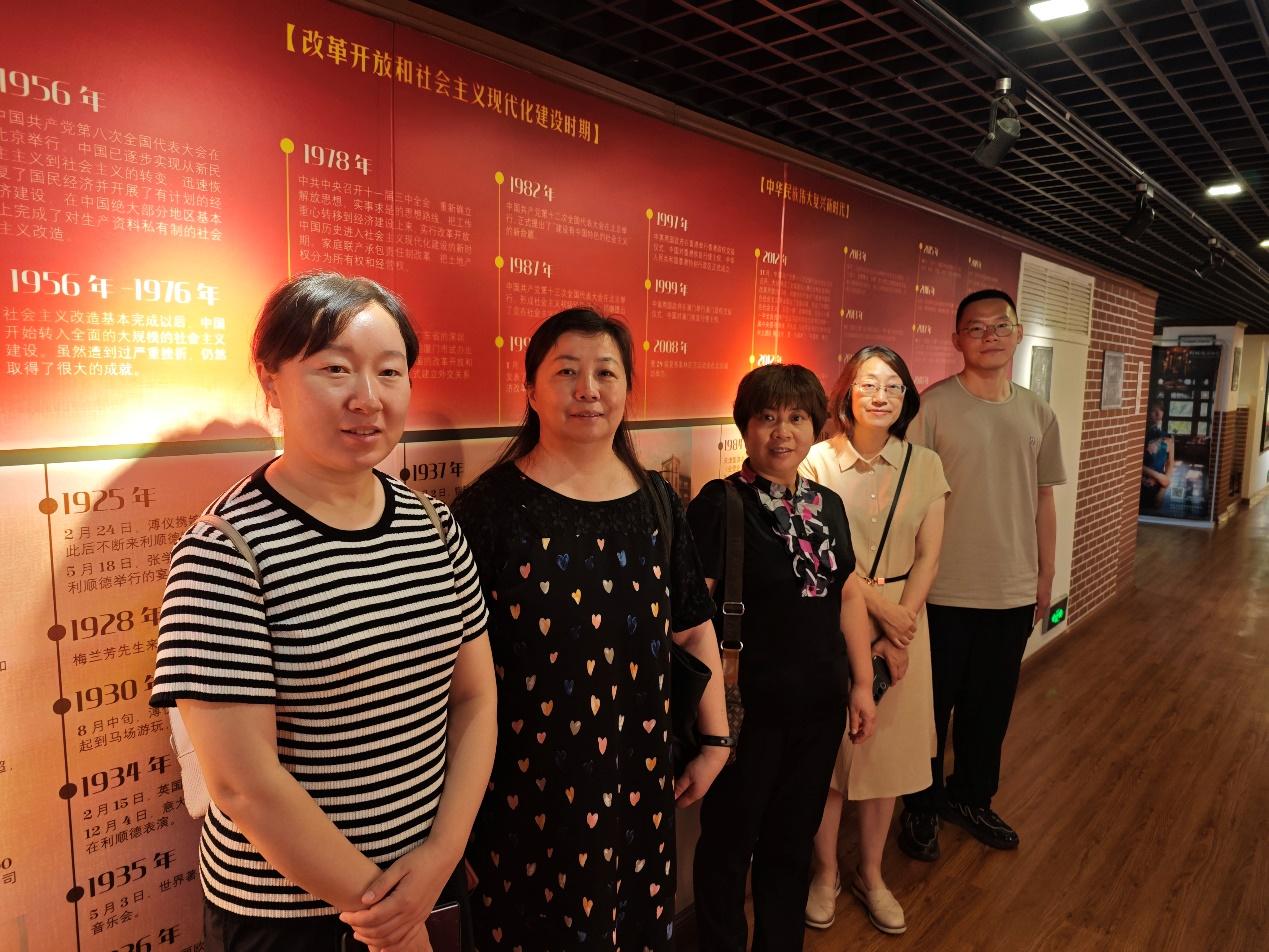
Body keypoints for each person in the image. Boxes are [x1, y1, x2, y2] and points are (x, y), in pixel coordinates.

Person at [149, 271, 498, 952]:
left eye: (389, 371)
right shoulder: (224, 552)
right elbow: (244, 785)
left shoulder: (433, 526)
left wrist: (441, 857)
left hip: (424, 884)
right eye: (334, 369)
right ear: (271, 380)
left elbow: (475, 698)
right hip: (291, 917)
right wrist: (389, 918)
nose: (367, 398)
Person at [452, 307, 730, 951]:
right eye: (566, 372)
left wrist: (715, 740)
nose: (588, 389)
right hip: (522, 793)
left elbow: (693, 628)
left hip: (639, 783)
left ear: (627, 389)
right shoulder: (487, 509)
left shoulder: (657, 500)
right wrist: (452, 822)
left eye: (606, 372)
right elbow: (452, 674)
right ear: (530, 390)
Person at [688, 363, 878, 952]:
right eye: (766, 417)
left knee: (792, 846)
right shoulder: (721, 504)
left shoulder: (828, 505)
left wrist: (862, 684)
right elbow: (693, 617)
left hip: (819, 708)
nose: (781, 431)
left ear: (815, 426)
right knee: (728, 847)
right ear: (745, 426)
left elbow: (847, 596)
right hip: (746, 713)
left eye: (796, 417)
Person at [896, 288, 1066, 862]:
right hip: (940, 589)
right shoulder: (931, 408)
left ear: (1017, 334)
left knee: (989, 709)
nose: (989, 335)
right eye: (976, 327)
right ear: (957, 339)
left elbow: (1044, 501)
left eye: (1001, 325)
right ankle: (920, 807)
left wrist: (1044, 577)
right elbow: (909, 500)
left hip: (1011, 589)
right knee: (929, 709)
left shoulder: (1038, 412)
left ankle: (971, 797)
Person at [801, 345, 948, 935]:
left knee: (886, 760)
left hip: (906, 629)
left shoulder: (926, 464)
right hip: (834, 621)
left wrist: (901, 628)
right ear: (847, 393)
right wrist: (885, 611)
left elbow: (929, 556)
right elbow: (818, 556)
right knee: (831, 758)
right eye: (868, 384)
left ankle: (871, 873)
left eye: (892, 386)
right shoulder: (817, 461)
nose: (880, 396)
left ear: (906, 397)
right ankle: (824, 874)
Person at [1141, 401, 1174, 509]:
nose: (1157, 413)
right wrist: (1157, 477)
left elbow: (1170, 463)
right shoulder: (1142, 434)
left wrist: (1162, 490)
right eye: (1153, 410)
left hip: (1159, 484)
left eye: (1160, 410)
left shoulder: (1168, 436)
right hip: (1142, 482)